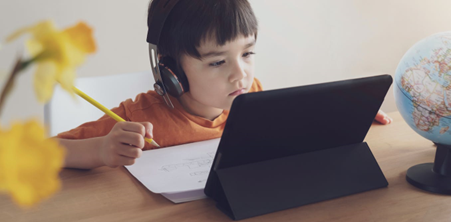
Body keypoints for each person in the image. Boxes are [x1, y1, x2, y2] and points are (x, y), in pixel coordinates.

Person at [56, 0, 392, 170]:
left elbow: (288, 128)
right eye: (218, 62)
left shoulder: (251, 95)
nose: (240, 74)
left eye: (247, 53)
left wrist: (345, 117)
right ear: (170, 70)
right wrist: (100, 150)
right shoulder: (137, 119)